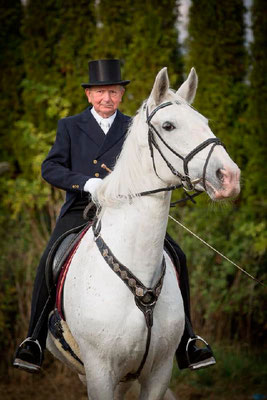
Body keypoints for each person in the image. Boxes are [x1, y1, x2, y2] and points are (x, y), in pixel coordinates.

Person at [13, 59, 215, 374]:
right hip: (83, 208)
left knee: (177, 255)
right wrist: (86, 182)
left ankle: (189, 340)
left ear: (121, 94)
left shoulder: (134, 126)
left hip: (128, 208)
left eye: (113, 91)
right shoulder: (70, 126)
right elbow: (50, 167)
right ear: (89, 95)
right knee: (49, 258)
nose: (107, 98)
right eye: (100, 91)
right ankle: (33, 340)